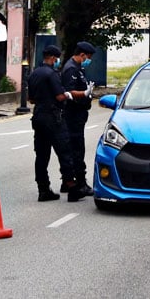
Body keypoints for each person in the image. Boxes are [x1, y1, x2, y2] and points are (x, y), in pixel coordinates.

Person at [29, 45, 86, 201]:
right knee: (65, 152)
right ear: (53, 58)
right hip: (53, 117)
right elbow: (60, 96)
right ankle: (72, 187)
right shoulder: (52, 74)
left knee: (41, 155)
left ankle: (43, 189)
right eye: (57, 59)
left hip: (38, 116)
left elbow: (31, 99)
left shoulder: (34, 73)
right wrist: (67, 95)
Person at [61, 41, 97, 202]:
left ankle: (68, 182)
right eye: (87, 57)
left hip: (78, 115)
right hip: (73, 115)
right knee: (76, 149)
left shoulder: (78, 68)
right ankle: (80, 183)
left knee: (74, 148)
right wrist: (84, 93)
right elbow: (68, 91)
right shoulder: (71, 69)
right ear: (82, 55)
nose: (88, 60)